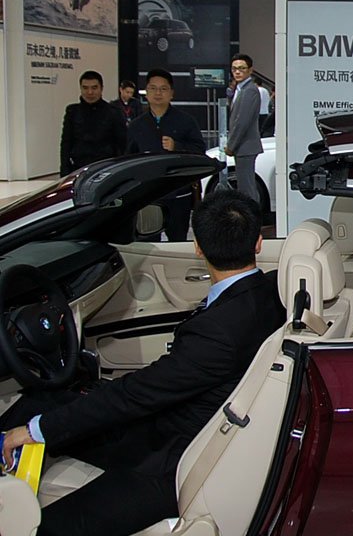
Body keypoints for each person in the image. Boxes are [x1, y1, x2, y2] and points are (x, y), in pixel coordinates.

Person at [0, 190, 285, 536]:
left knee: (46, 528)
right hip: (184, 425)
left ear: (197, 247)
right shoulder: (273, 292)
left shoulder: (216, 334)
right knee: (39, 402)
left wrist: (34, 431)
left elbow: (133, 396)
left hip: (176, 462)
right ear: (258, 243)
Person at [126, 69, 206, 240]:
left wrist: (177, 146)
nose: (158, 93)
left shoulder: (185, 121)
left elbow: (199, 150)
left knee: (178, 241)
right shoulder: (136, 125)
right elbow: (128, 159)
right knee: (148, 241)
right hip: (148, 195)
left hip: (178, 193)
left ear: (171, 93)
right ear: (146, 92)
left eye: (163, 89)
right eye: (153, 88)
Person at [59, 70, 126, 176]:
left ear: (101, 88)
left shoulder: (113, 112)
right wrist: (65, 172)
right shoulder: (72, 112)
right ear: (80, 88)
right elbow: (66, 144)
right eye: (85, 88)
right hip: (78, 169)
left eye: (94, 88)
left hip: (106, 170)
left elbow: (122, 144)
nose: (90, 92)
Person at [226, 55, 264, 204]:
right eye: (234, 68)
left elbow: (242, 122)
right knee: (244, 186)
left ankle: (252, 214)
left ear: (250, 70)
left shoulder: (250, 90)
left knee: (247, 188)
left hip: (245, 146)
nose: (237, 72)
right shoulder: (240, 89)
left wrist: (231, 145)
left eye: (241, 68)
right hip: (243, 147)